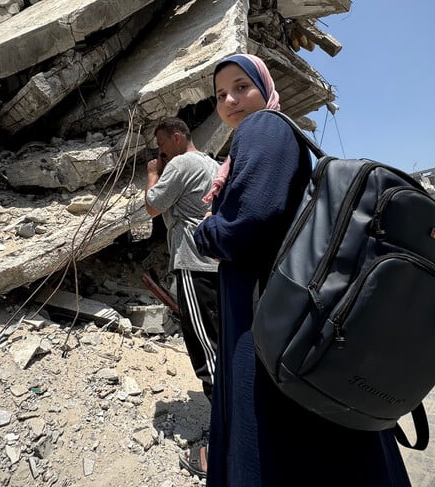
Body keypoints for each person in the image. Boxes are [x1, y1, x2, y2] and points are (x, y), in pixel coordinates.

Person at [191, 53, 412, 485]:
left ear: (265, 88)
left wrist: (204, 233)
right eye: (220, 95)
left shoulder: (263, 127)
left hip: (267, 313)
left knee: (277, 435)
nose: (230, 100)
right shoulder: (268, 137)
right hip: (283, 308)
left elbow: (249, 220)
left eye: (241, 86)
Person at [144, 117, 221, 403]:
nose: (160, 151)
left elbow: (153, 205)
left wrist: (153, 173)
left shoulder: (180, 164)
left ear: (177, 138)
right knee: (218, 336)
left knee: (204, 345)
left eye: (162, 144)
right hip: (215, 261)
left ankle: (225, 419)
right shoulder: (213, 165)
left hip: (192, 261)